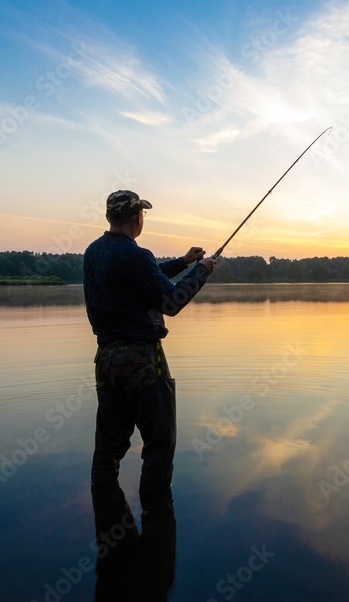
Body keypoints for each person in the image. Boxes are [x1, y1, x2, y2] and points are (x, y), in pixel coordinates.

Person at [83, 189, 216, 512]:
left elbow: (145, 276)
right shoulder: (135, 255)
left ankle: (106, 515)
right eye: (142, 213)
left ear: (108, 217)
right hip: (142, 362)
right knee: (159, 444)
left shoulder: (94, 252)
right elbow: (171, 302)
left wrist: (184, 262)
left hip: (106, 361)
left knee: (109, 445)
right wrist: (202, 271)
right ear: (137, 217)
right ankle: (156, 517)